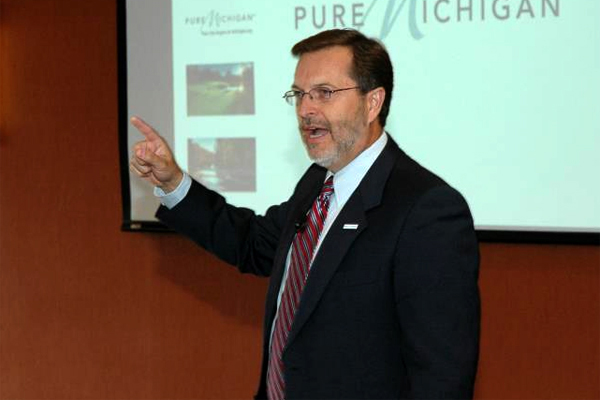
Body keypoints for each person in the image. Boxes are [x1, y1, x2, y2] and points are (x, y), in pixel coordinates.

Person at [130, 29, 480, 400]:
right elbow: (253, 243)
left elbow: (443, 377)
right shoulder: (317, 183)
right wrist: (173, 183)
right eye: (299, 95)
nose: (305, 110)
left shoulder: (427, 210)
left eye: (324, 94)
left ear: (373, 102)